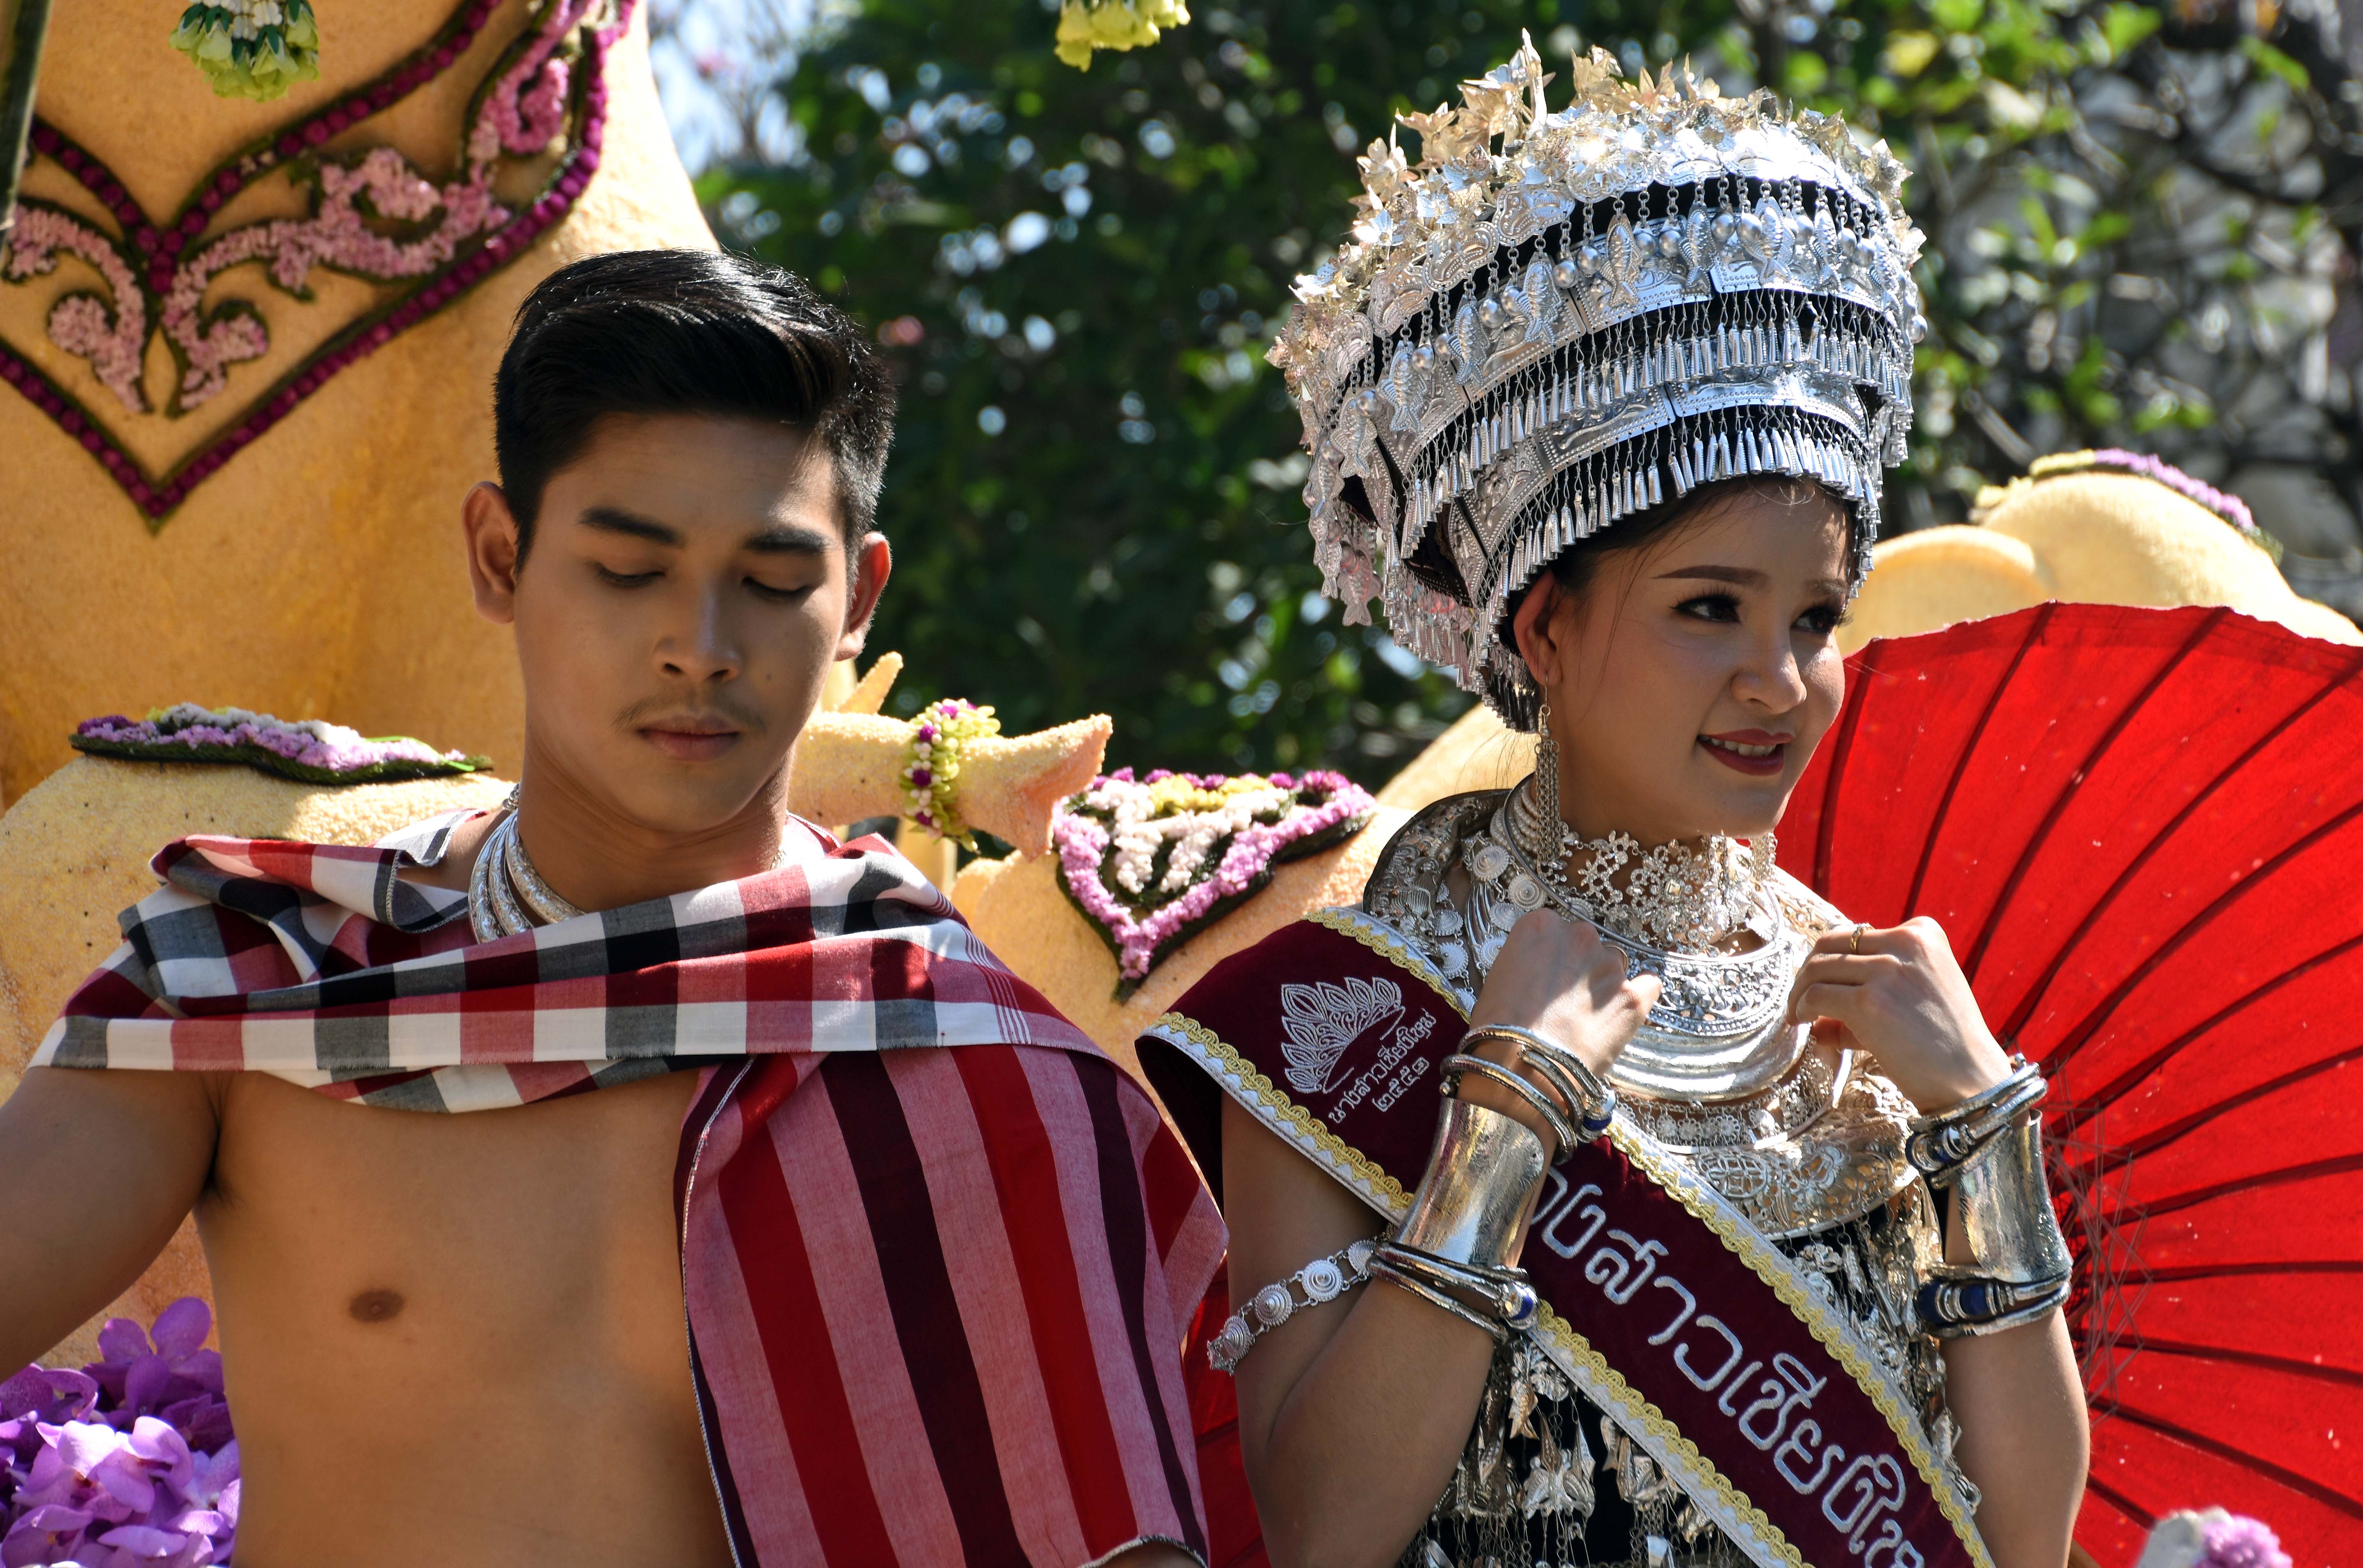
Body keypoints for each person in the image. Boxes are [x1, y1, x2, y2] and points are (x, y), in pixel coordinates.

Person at [0, 250, 1219, 1568]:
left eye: (769, 578)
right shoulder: (264, 977)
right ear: (500, 554)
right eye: (630, 570)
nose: (700, 640)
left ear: (858, 598)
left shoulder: (971, 1066)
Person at [1139, 42, 2088, 1568]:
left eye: (1816, 620)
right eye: (1710, 608)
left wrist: (1984, 1130)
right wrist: (1503, 1110)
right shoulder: (1347, 1015)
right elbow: (1323, 1531)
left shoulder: (1876, 1017)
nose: (1781, 682)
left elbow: (2027, 1541)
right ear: (1545, 630)